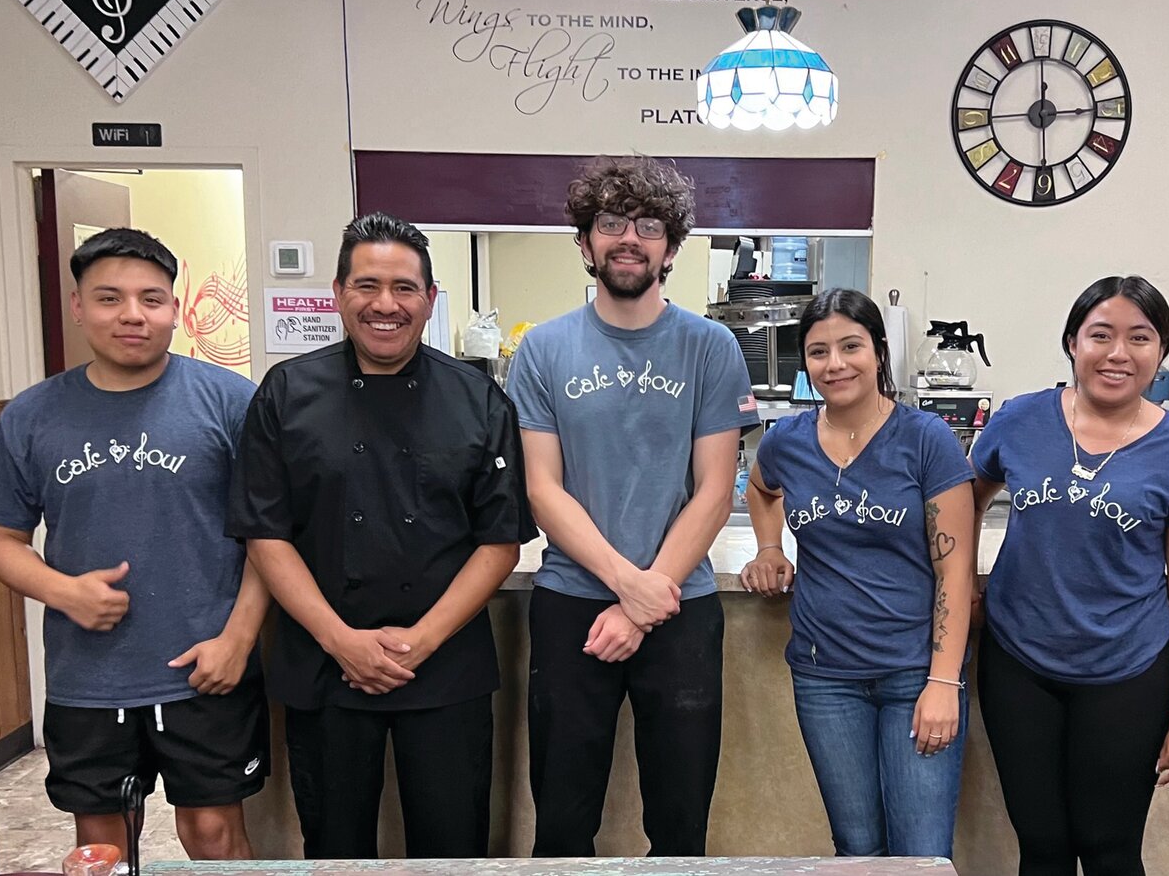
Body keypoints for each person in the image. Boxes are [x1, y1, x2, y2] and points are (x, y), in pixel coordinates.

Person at [229, 211, 534, 860]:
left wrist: (419, 641)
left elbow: (500, 540)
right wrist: (342, 641)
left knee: (454, 848)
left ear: (429, 298)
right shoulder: (286, 393)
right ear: (339, 294)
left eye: (404, 288)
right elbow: (266, 532)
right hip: (323, 663)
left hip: (445, 663)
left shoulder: (478, 398)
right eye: (367, 285)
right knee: (334, 849)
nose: (385, 304)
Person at [0, 228, 268, 860]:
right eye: (109, 298)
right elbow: (1, 538)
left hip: (205, 668)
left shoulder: (230, 402)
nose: (132, 314)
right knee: (102, 847)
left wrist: (238, 640)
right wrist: (63, 591)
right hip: (89, 676)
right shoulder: (31, 415)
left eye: (152, 299)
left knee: (214, 834)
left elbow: (269, 538)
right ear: (78, 307)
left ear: (176, 310)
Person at [504, 154, 758, 858]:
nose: (628, 238)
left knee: (679, 828)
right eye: (609, 222)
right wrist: (628, 586)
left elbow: (714, 489)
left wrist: (649, 599)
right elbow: (543, 489)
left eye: (649, 225)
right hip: (571, 604)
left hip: (681, 607)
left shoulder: (711, 348)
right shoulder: (542, 350)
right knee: (561, 822)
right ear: (585, 243)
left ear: (671, 248)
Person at [972, 275, 1169, 876]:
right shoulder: (1019, 420)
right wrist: (965, 589)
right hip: (1017, 663)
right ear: (1071, 343)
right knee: (1043, 848)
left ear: (1161, 352)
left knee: (1109, 850)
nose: (1118, 353)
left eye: (1140, 337)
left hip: (1127, 673)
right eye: (1101, 335)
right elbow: (962, 505)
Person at [739, 288, 975, 859]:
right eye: (819, 352)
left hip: (915, 676)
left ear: (879, 351)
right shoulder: (788, 441)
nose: (835, 364)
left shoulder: (926, 440)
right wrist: (769, 549)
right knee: (857, 849)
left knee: (921, 854)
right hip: (825, 678)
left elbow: (956, 571)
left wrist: (943, 683)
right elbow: (760, 488)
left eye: (851, 346)